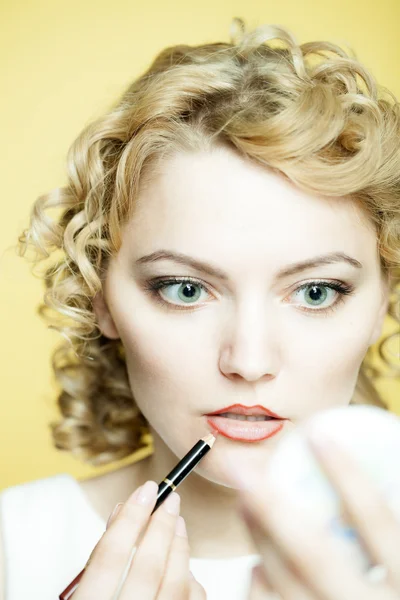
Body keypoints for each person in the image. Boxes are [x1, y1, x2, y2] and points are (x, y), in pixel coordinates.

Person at [1, 16, 399, 600]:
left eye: (316, 292)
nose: (250, 360)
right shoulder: (14, 547)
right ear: (100, 294)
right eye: (184, 288)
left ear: (384, 300)